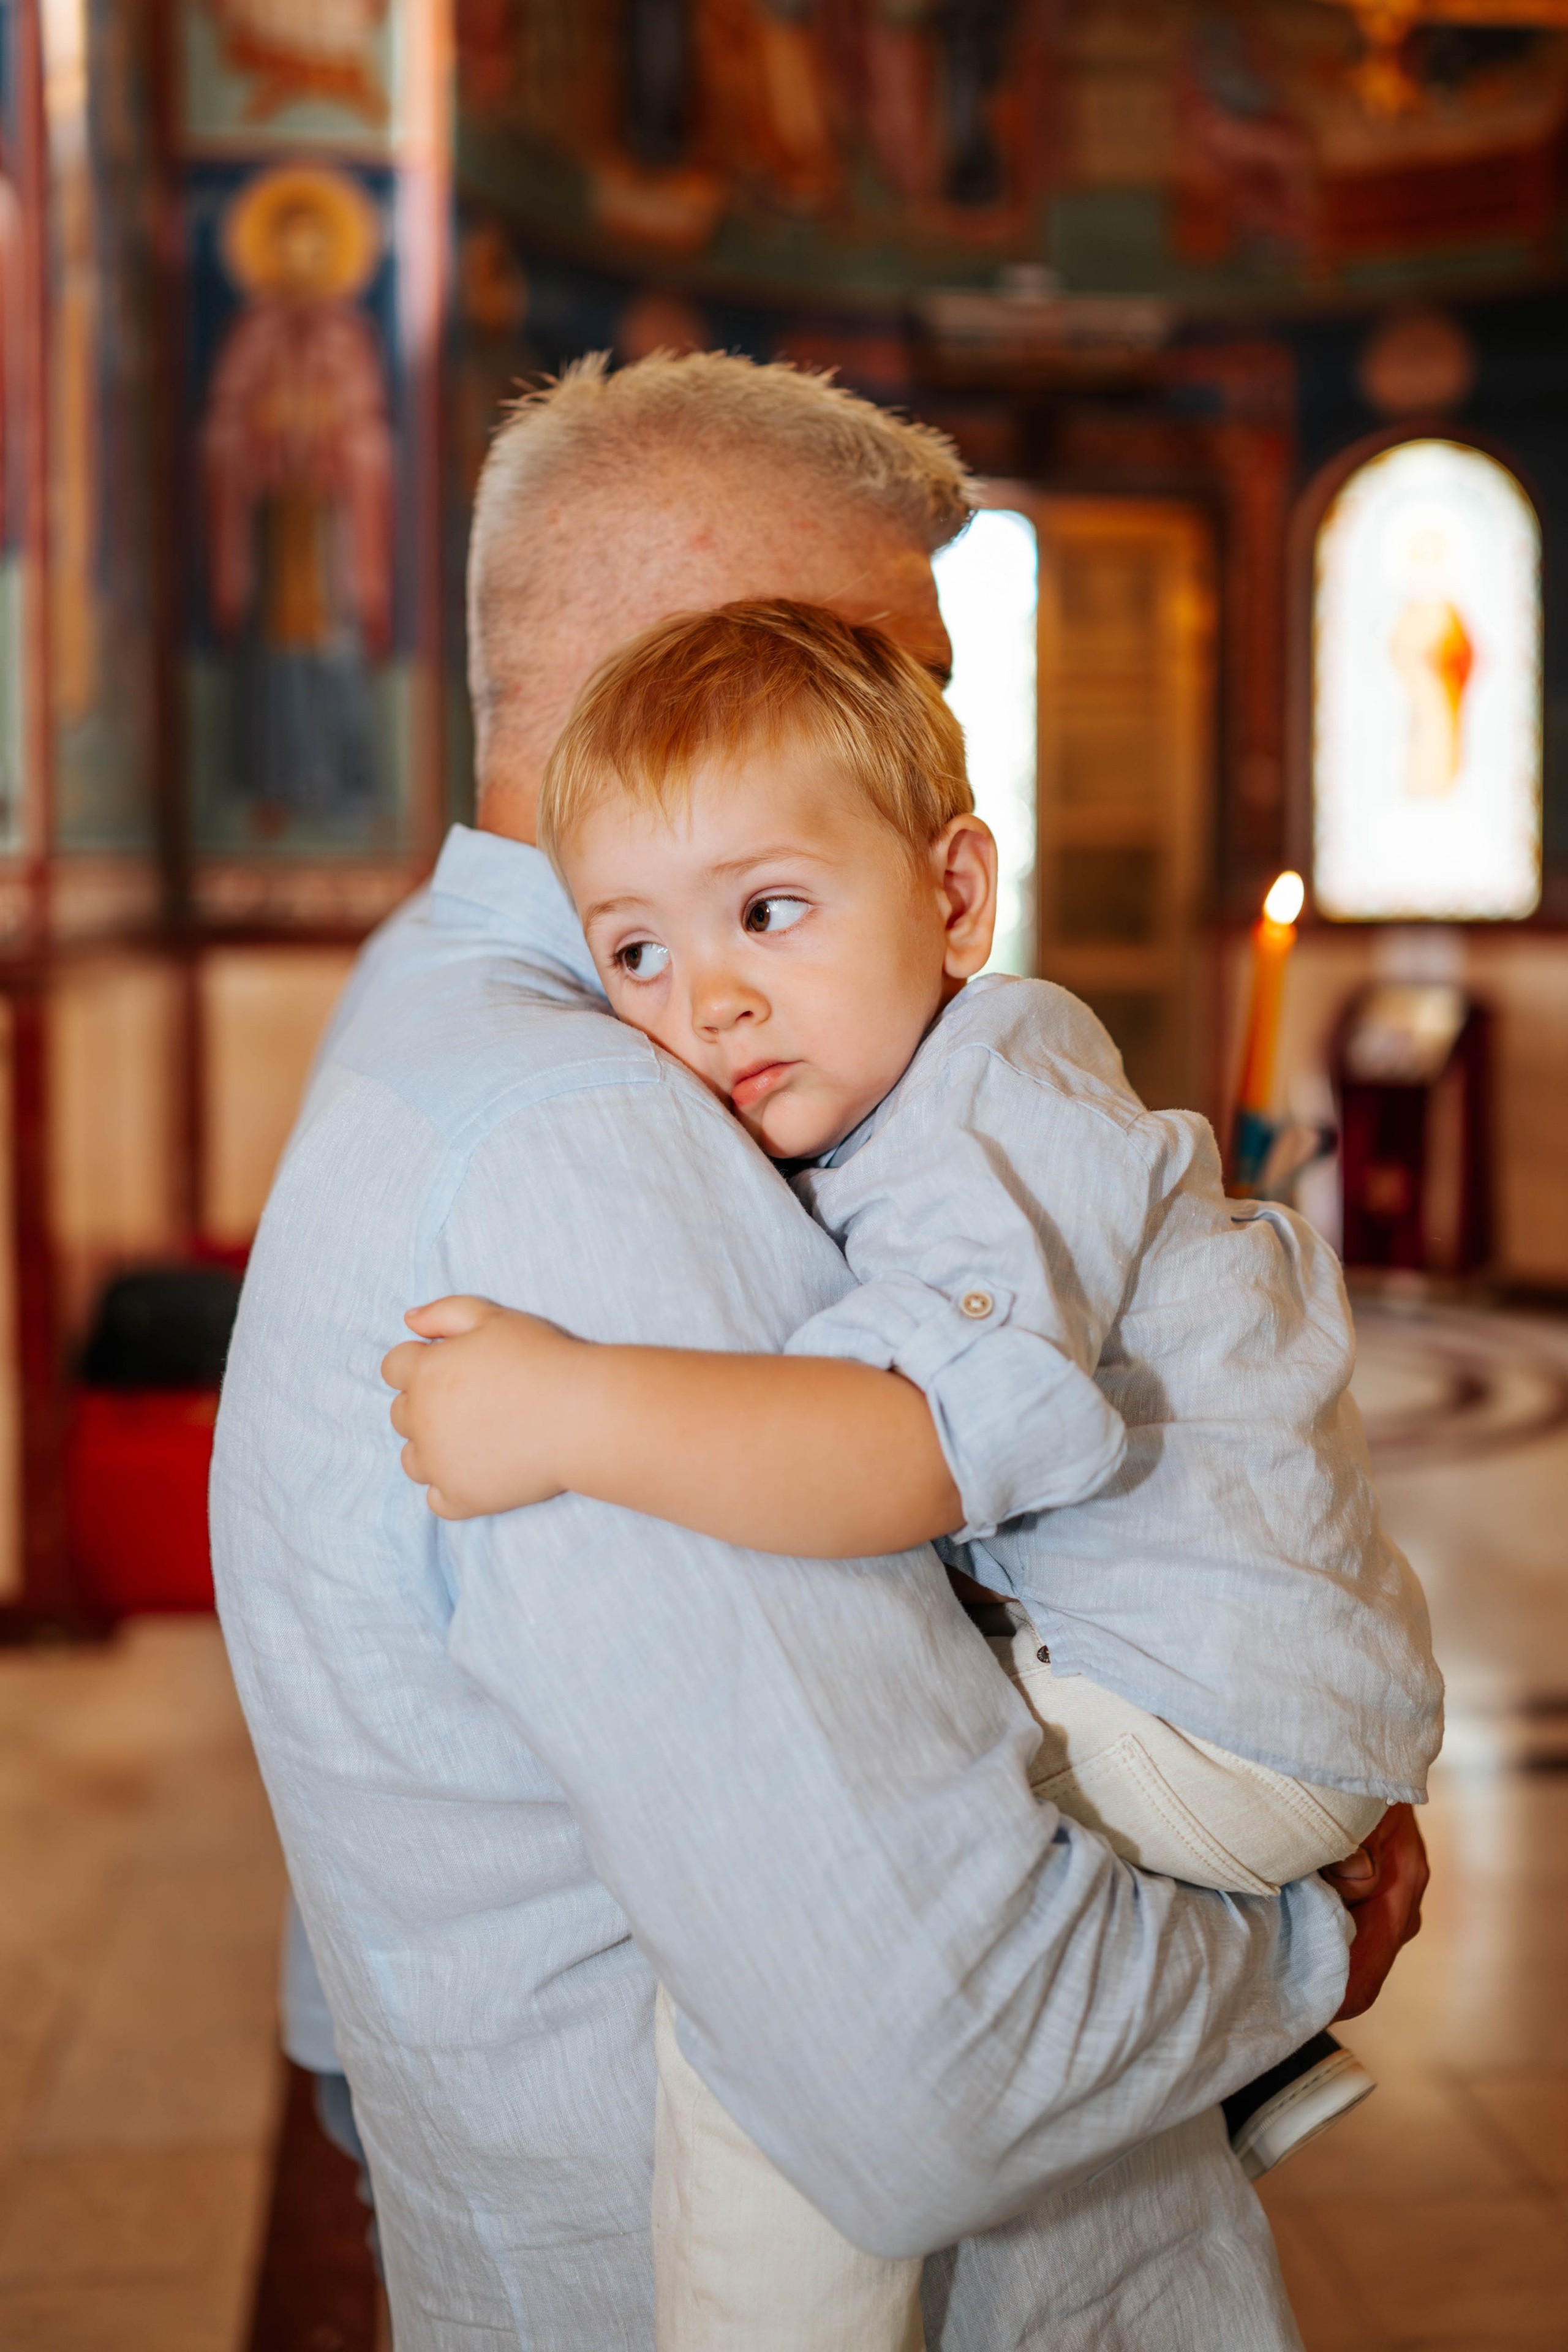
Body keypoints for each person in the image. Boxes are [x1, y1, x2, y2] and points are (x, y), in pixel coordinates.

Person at [212, 351, 1430, 2352]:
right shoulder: (605, 1130)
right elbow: (930, 2059)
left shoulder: (454, 1017)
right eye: (908, 676)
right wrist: (1302, 1940)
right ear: (736, 662)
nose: (940, 745)